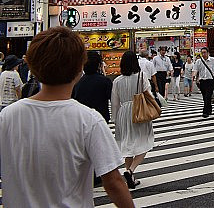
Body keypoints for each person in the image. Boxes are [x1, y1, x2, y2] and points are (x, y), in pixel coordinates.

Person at [0, 26, 134, 208]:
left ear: (31, 65)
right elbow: (113, 182)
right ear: (79, 68)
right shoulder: (89, 120)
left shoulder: (7, 116)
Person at [112, 50, 156, 189]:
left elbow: (114, 102)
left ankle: (129, 174)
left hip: (123, 113)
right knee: (145, 141)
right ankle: (130, 170)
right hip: (139, 111)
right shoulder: (141, 76)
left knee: (127, 144)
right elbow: (149, 95)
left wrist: (115, 119)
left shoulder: (117, 81)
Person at [72, 51, 113, 122]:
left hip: (83, 118)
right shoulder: (105, 81)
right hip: (101, 118)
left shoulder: (78, 83)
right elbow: (112, 98)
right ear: (98, 65)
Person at [193, 47, 214, 118]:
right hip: (202, 81)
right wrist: (194, 77)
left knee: (208, 96)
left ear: (208, 53)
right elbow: (195, 70)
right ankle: (209, 108)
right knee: (204, 97)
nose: (203, 54)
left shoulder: (213, 60)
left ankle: (205, 112)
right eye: (202, 53)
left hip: (211, 81)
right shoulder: (198, 61)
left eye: (204, 52)